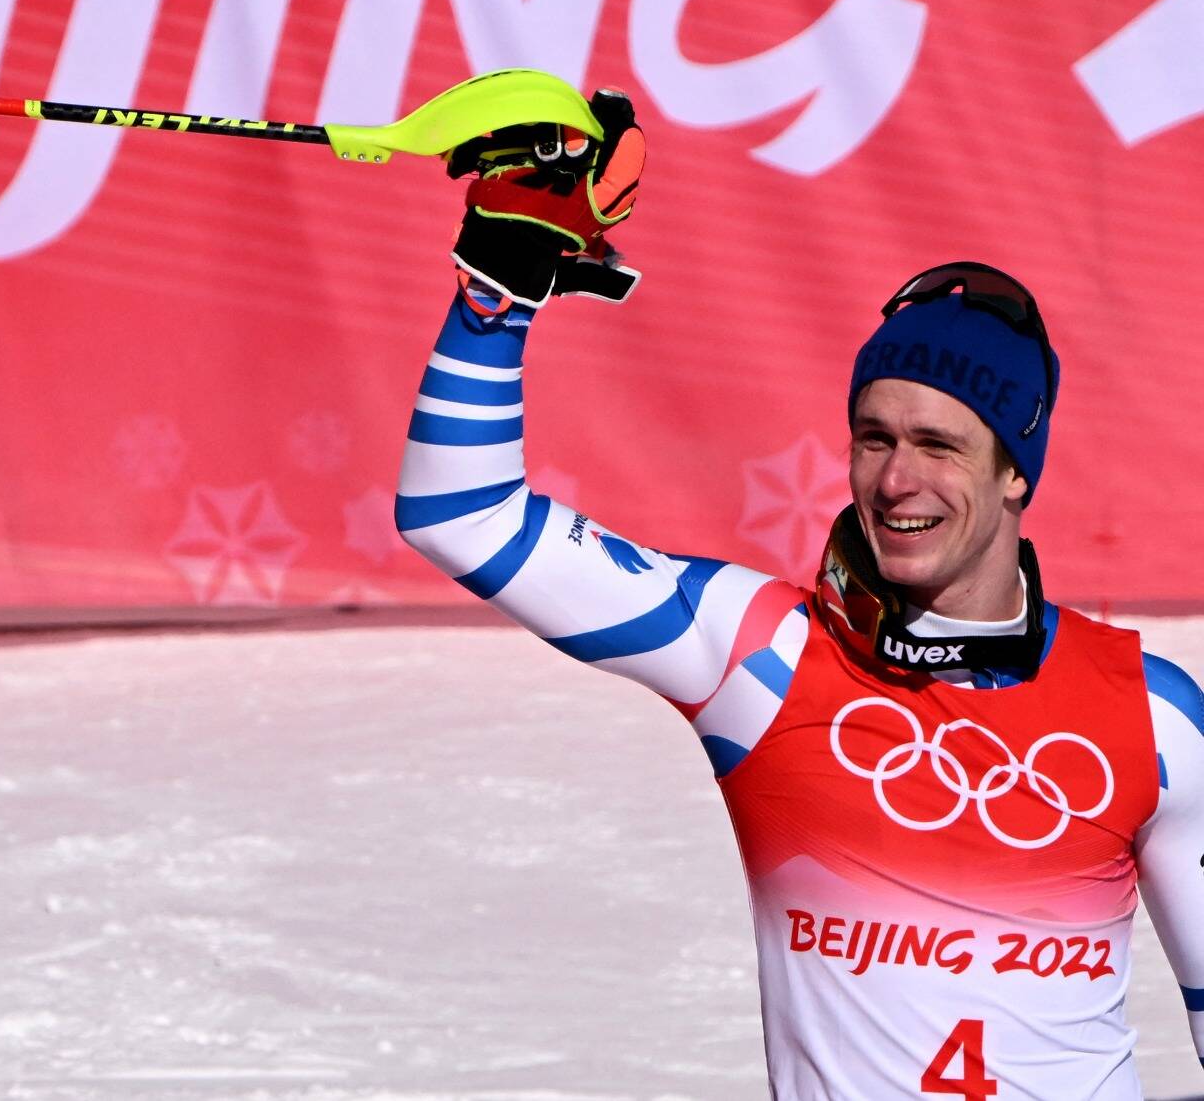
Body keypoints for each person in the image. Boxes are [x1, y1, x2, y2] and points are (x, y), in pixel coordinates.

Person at [397, 94, 1204, 1098]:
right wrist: (497, 294)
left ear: (1014, 473)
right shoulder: (757, 651)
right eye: (873, 437)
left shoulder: (1155, 717)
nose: (894, 480)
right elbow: (461, 514)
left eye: (938, 445)